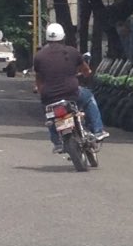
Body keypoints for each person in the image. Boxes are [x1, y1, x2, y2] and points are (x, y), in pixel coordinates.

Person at [33, 22, 109, 152]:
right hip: (71, 93)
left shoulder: (39, 56)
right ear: (63, 37)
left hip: (49, 96)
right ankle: (98, 130)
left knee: (50, 114)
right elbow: (86, 70)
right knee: (89, 97)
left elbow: (39, 79)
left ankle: (57, 142)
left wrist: (41, 92)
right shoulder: (72, 52)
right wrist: (86, 74)